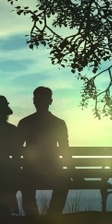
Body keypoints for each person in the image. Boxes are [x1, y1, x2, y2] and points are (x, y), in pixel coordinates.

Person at [18, 86, 69, 215]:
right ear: (50, 101)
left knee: (26, 185)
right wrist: (70, 169)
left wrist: (18, 168)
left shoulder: (25, 122)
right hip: (53, 170)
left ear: (34, 101)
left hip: (30, 170)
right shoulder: (59, 123)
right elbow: (64, 149)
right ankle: (52, 216)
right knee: (63, 185)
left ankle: (33, 217)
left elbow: (17, 149)